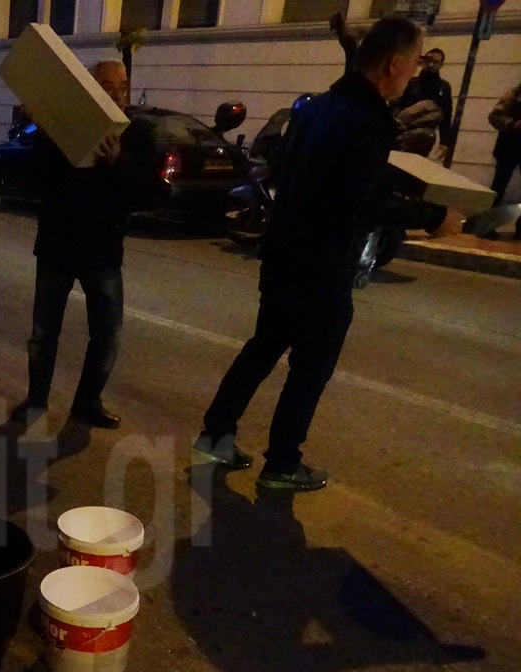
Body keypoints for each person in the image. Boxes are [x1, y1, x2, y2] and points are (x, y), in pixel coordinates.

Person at [193, 17, 463, 493]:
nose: (414, 74)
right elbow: (361, 199)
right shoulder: (368, 120)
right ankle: (282, 462)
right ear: (392, 64)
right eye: (413, 63)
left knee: (262, 349)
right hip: (323, 265)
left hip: (283, 252)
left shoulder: (315, 108)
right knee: (310, 369)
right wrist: (431, 216)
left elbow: (307, 174)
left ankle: (215, 438)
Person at [10, 60, 165, 429]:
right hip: (57, 248)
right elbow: (32, 181)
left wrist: (118, 161)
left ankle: (87, 401)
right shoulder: (63, 127)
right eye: (107, 86)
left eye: (123, 86)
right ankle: (36, 400)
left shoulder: (136, 134)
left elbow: (154, 193)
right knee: (44, 334)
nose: (117, 94)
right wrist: (44, 131)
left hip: (103, 253)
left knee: (107, 335)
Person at [393, 47, 454, 158]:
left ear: (441, 64)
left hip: (425, 135)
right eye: (428, 60)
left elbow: (446, 116)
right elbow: (396, 105)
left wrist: (445, 142)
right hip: (403, 131)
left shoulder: (443, 88)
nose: (430, 64)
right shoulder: (411, 83)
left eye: (435, 62)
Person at [487, 77, 521, 239]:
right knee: (498, 188)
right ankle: (488, 226)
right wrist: (512, 124)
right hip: (508, 147)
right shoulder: (515, 93)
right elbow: (494, 116)